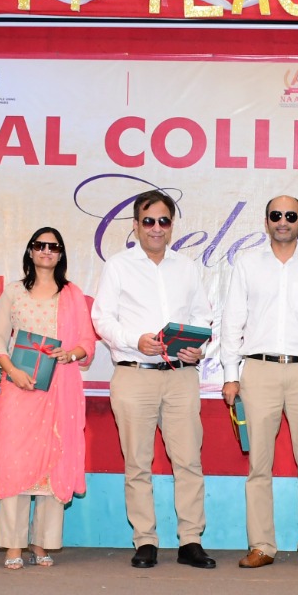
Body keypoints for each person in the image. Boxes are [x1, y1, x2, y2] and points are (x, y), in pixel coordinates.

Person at [220, 196, 298, 571]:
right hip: (258, 372)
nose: (283, 221)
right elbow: (231, 323)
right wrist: (230, 375)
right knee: (258, 465)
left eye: (291, 216)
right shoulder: (247, 264)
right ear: (266, 222)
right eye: (276, 215)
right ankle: (261, 545)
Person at [91, 190, 217, 569]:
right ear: (135, 225)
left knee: (189, 461)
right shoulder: (118, 266)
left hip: (181, 375)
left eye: (164, 221)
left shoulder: (187, 267)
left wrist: (197, 347)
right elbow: (102, 318)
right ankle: (145, 540)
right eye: (149, 221)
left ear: (172, 225)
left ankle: (190, 540)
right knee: (137, 463)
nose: (156, 228)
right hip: (135, 374)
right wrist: (136, 340)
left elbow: (203, 316)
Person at [0, 226, 95, 569]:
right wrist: (12, 371)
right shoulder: (14, 292)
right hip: (20, 387)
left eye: (54, 246)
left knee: (55, 459)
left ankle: (42, 542)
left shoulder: (72, 294)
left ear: (61, 253)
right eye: (40, 245)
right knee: (16, 462)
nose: (47, 251)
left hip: (60, 387)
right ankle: (13, 544)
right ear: (31, 251)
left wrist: (71, 354)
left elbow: (86, 341)